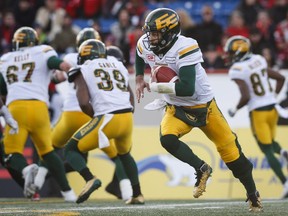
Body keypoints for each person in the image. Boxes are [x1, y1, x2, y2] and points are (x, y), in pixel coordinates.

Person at [135, 8, 262, 212]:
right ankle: (201, 168)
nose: (150, 37)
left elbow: (187, 88)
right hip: (176, 107)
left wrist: (158, 87)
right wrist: (139, 77)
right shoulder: (146, 43)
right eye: (149, 32)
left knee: (231, 153)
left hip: (204, 106)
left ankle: (252, 194)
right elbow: (139, 52)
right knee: (167, 138)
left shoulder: (186, 46)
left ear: (169, 32)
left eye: (155, 33)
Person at [34, 28, 133, 201]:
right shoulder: (111, 61)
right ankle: (128, 192)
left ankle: (37, 181)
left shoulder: (73, 58)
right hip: (101, 114)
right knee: (118, 155)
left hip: (72, 113)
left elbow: (58, 78)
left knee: (50, 149)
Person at [0, 26, 76, 202]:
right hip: (39, 108)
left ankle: (26, 170)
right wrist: (66, 67)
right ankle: (68, 192)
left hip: (16, 108)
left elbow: (2, 89)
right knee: (48, 152)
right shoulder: (42, 51)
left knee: (11, 152)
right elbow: (55, 63)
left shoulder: (5, 59)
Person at [64, 39, 144, 204]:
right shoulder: (117, 64)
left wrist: (95, 118)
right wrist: (128, 113)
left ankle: (90, 178)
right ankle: (137, 194)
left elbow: (84, 102)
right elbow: (129, 94)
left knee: (71, 149)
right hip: (127, 116)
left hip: (107, 118)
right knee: (125, 154)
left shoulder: (82, 68)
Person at [225, 35, 288, 199]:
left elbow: (245, 96)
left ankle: (285, 182)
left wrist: (235, 109)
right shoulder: (259, 59)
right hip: (273, 109)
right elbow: (280, 78)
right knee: (270, 142)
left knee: (265, 149)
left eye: (231, 53)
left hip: (258, 111)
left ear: (238, 52)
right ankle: (282, 152)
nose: (229, 56)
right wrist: (272, 95)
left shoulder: (237, 69)